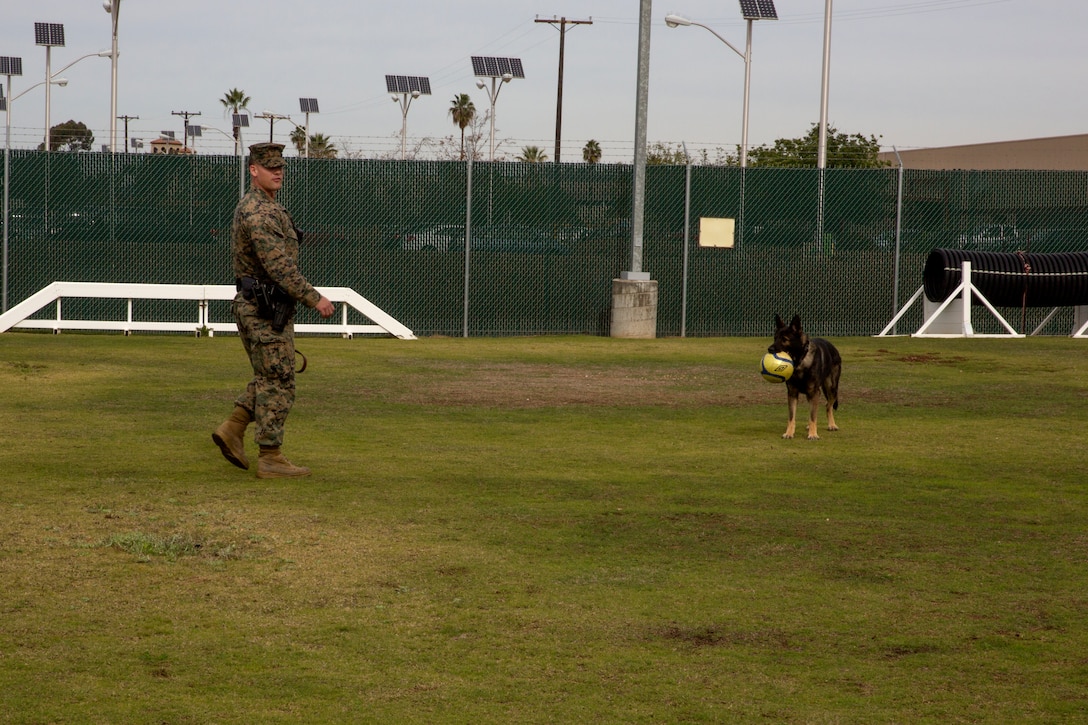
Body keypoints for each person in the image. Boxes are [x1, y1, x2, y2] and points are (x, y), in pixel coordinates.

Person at [212, 142, 335, 478]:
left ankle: (232, 429)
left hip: (265, 305)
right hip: (262, 307)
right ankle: (270, 456)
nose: (278, 172)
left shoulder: (266, 206)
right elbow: (279, 266)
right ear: (254, 171)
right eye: (270, 168)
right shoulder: (259, 213)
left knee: (271, 375)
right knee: (279, 381)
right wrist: (314, 298)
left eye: (280, 167)